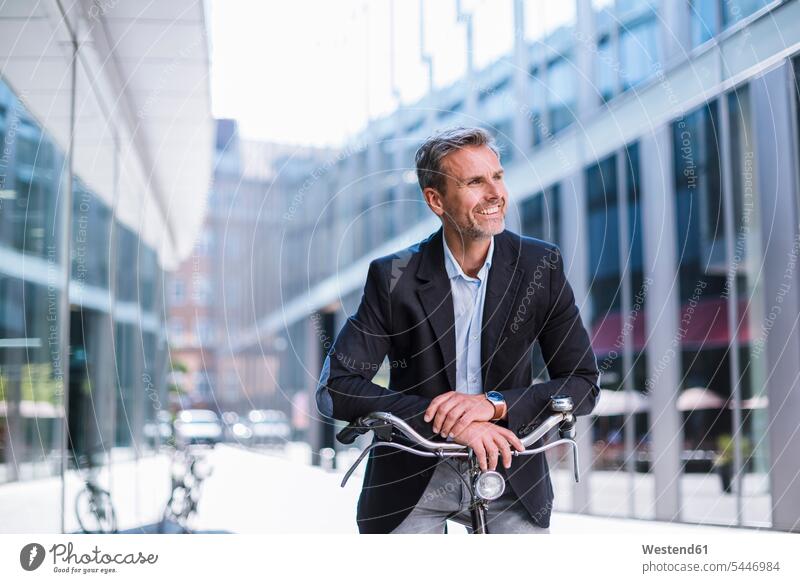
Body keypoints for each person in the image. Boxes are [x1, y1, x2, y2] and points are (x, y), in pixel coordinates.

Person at [316, 126, 600, 534]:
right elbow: (337, 388)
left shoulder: (541, 266)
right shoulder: (393, 276)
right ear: (436, 200)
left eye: (497, 176)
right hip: (410, 474)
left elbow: (583, 383)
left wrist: (494, 404)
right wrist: (452, 422)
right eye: (474, 182)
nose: (495, 193)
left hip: (510, 472)